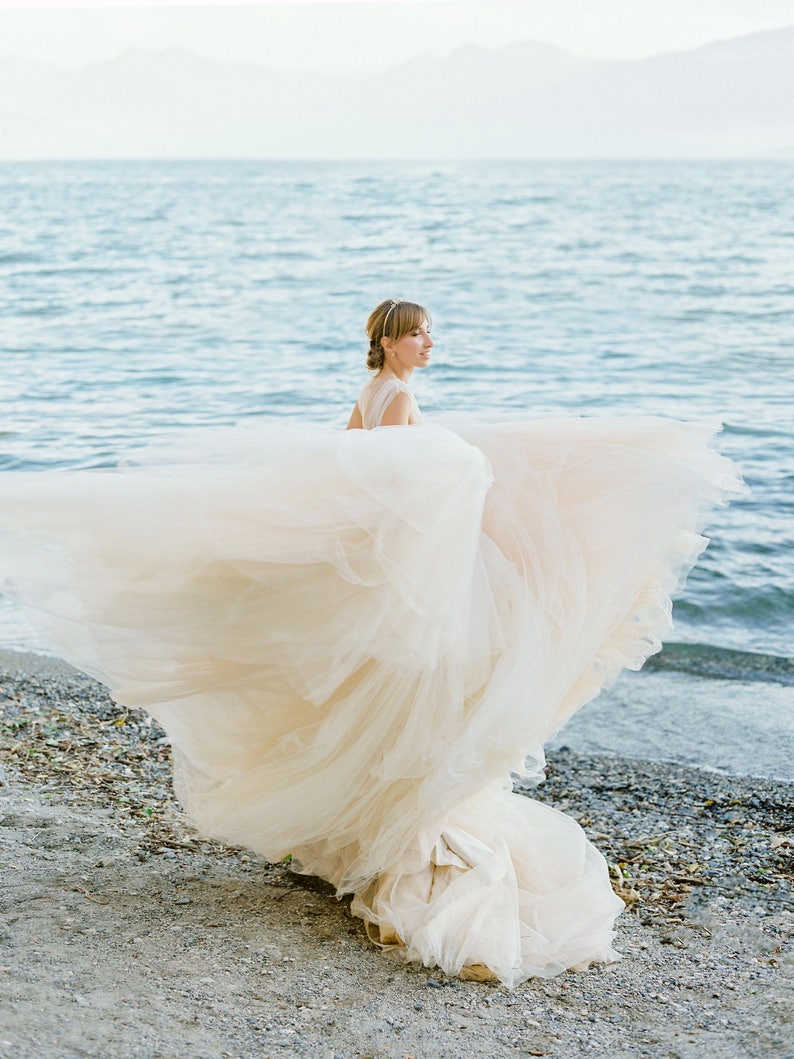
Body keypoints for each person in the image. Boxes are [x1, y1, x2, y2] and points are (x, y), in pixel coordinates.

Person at [0, 298, 741, 987]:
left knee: (384, 714)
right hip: (414, 590)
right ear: (388, 340)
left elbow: (350, 480)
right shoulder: (401, 401)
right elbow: (402, 498)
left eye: (429, 331)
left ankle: (365, 836)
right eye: (418, 331)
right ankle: (404, 852)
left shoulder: (368, 401)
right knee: (427, 712)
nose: (429, 341)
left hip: (392, 589)